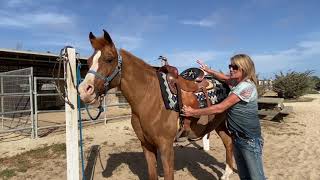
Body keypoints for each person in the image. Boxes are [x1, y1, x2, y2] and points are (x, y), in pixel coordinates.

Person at [182, 54, 266, 180]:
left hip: (249, 139)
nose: (231, 69)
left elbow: (220, 107)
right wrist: (209, 70)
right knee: (244, 176)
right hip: (238, 136)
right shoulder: (237, 83)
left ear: (245, 69)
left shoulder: (246, 87)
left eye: (235, 67)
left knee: (256, 177)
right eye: (230, 66)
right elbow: (224, 77)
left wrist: (193, 112)